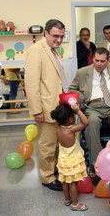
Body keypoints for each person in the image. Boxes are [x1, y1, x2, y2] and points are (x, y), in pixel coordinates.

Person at [25, 19, 68, 191]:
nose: (58, 40)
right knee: (47, 145)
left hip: (58, 106)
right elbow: (31, 83)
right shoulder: (36, 50)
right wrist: (36, 110)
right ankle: (47, 177)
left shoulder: (54, 51)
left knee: (57, 143)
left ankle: (55, 171)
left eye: (62, 36)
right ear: (46, 33)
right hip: (45, 107)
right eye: (55, 36)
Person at [50, 103, 88, 211]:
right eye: (73, 116)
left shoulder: (58, 127)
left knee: (65, 182)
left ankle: (67, 200)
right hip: (72, 161)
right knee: (73, 183)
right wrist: (77, 110)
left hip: (63, 160)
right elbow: (86, 122)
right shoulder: (71, 130)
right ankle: (75, 204)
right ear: (70, 119)